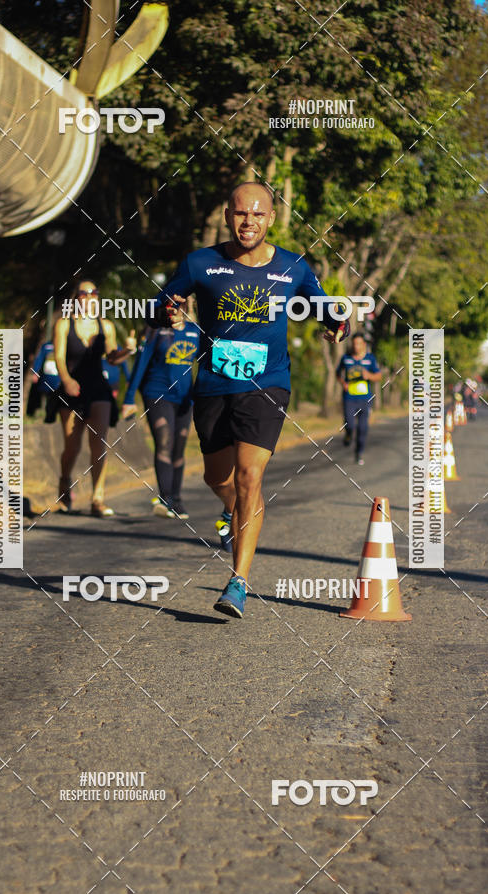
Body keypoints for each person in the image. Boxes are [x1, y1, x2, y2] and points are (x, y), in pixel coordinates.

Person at [147, 182, 348, 618]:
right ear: (227, 215)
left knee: (248, 477)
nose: (248, 222)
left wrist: (337, 321)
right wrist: (166, 308)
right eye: (241, 214)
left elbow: (323, 305)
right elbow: (161, 302)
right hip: (215, 385)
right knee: (218, 480)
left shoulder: (294, 266)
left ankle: (237, 581)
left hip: (268, 383)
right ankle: (233, 514)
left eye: (257, 215)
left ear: (271, 218)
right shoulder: (201, 262)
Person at [54, 280, 135, 517]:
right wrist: (67, 380)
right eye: (84, 293)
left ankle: (97, 498)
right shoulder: (63, 324)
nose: (90, 296)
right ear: (76, 297)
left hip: (98, 388)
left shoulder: (106, 326)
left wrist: (128, 351)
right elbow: (59, 356)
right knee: (72, 446)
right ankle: (64, 482)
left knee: (98, 445)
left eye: (94, 293)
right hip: (72, 388)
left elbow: (112, 357)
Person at [122, 300, 200, 519]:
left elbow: (205, 363)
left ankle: (177, 499)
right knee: (164, 442)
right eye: (173, 303)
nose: (177, 306)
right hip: (157, 393)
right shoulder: (156, 329)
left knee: (179, 447)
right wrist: (129, 398)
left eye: (183, 302)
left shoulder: (195, 331)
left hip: (185, 397)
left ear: (189, 304)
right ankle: (165, 499)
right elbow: (141, 363)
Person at [336, 333, 381, 466]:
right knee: (350, 424)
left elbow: (378, 376)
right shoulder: (346, 358)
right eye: (354, 343)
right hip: (349, 398)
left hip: (365, 399)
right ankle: (348, 435)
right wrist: (343, 383)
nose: (356, 346)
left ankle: (359, 452)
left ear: (364, 345)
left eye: (359, 344)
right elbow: (338, 373)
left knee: (363, 428)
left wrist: (369, 375)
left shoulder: (370, 359)